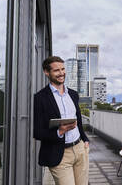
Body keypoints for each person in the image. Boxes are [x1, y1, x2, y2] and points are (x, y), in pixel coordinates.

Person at [34, 56, 89, 185]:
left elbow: (79, 120)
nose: (61, 73)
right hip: (59, 155)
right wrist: (60, 131)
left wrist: (85, 140)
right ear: (46, 72)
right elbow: (36, 131)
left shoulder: (73, 94)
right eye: (56, 70)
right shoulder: (40, 98)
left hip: (80, 150)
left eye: (63, 69)